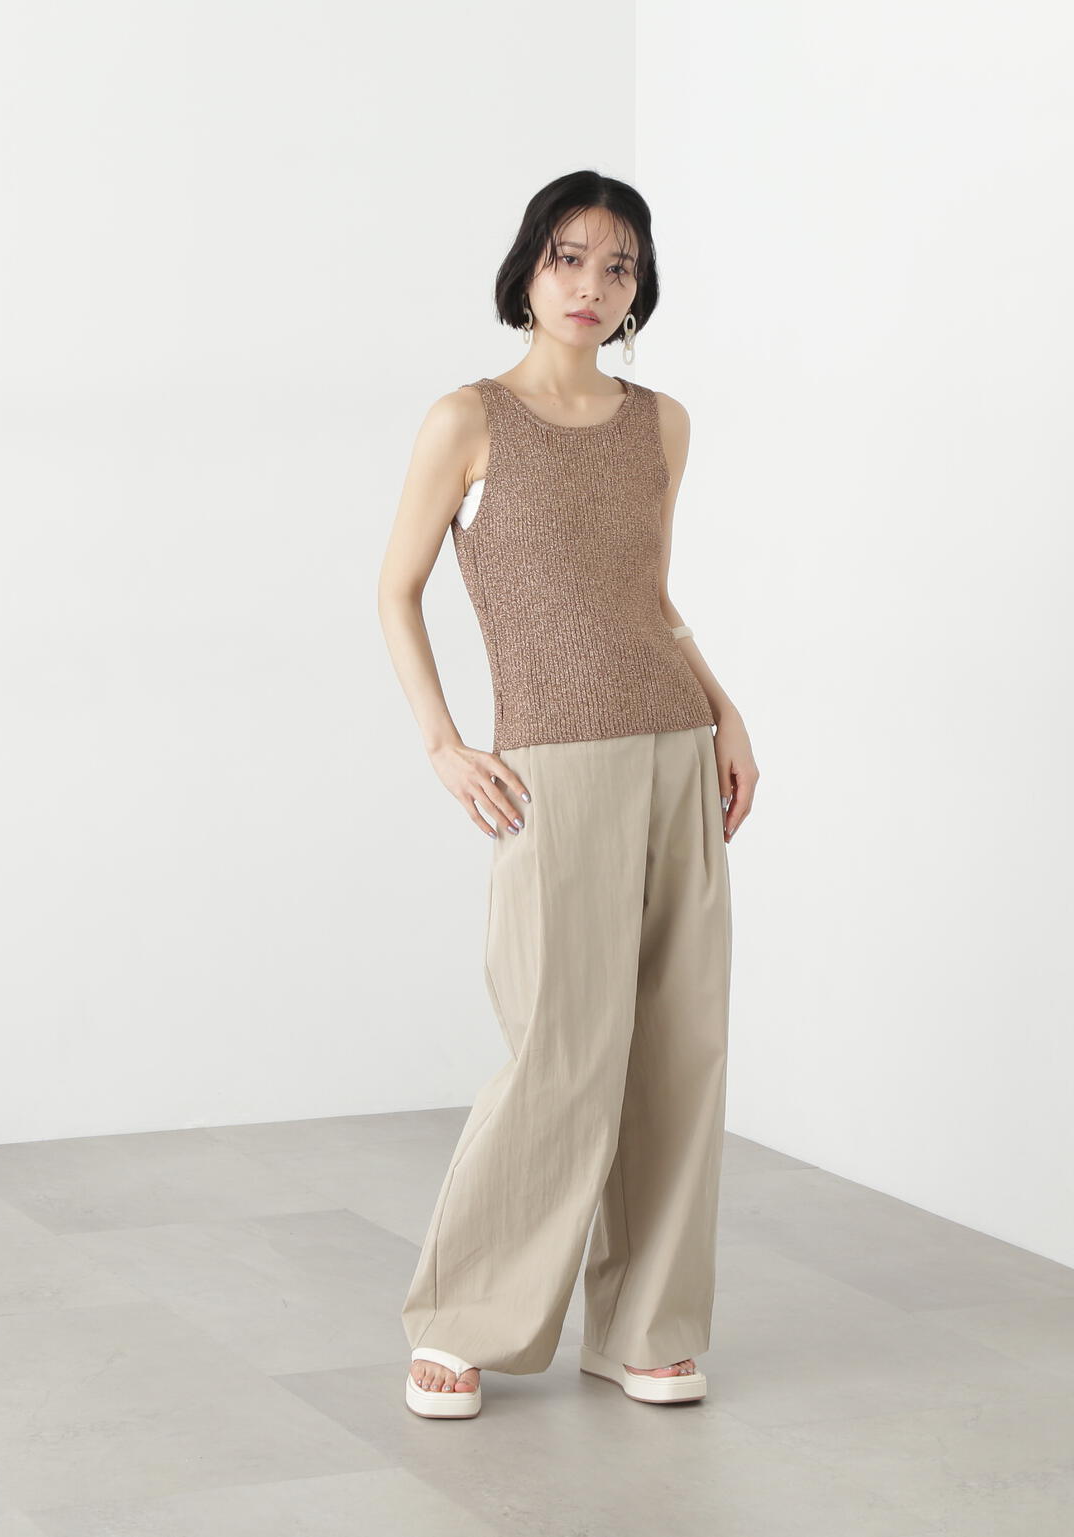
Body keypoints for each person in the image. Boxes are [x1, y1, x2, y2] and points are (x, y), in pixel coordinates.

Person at [376, 169, 759, 1419]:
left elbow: (646, 597)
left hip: (673, 742)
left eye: (618, 266)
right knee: (557, 1047)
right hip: (550, 761)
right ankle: (464, 1318)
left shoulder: (662, 425)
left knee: (678, 1046)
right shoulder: (468, 418)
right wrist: (444, 744)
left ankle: (644, 1326)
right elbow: (394, 589)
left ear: (638, 288)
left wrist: (723, 708)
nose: (592, 285)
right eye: (568, 258)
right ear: (527, 270)